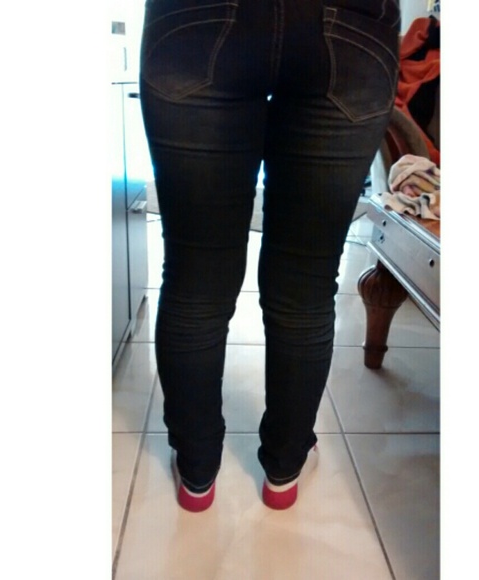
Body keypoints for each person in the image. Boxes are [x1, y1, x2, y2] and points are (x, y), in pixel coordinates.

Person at [139, 0, 401, 511]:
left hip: (198, 17)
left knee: (196, 280)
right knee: (305, 285)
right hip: (350, 23)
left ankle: (196, 472)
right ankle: (284, 469)